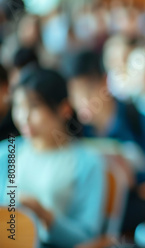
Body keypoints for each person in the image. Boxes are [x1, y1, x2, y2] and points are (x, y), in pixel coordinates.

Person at [62, 49, 145, 236]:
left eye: (88, 91)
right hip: (91, 212)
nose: (83, 101)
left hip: (134, 211)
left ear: (104, 83)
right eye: (75, 95)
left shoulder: (136, 119)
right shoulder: (76, 130)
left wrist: (134, 176)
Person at [0, 67, 106, 247]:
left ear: (64, 109)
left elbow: (88, 237)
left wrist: (43, 215)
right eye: (18, 106)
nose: (23, 117)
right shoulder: (7, 152)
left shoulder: (86, 162)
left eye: (34, 106)